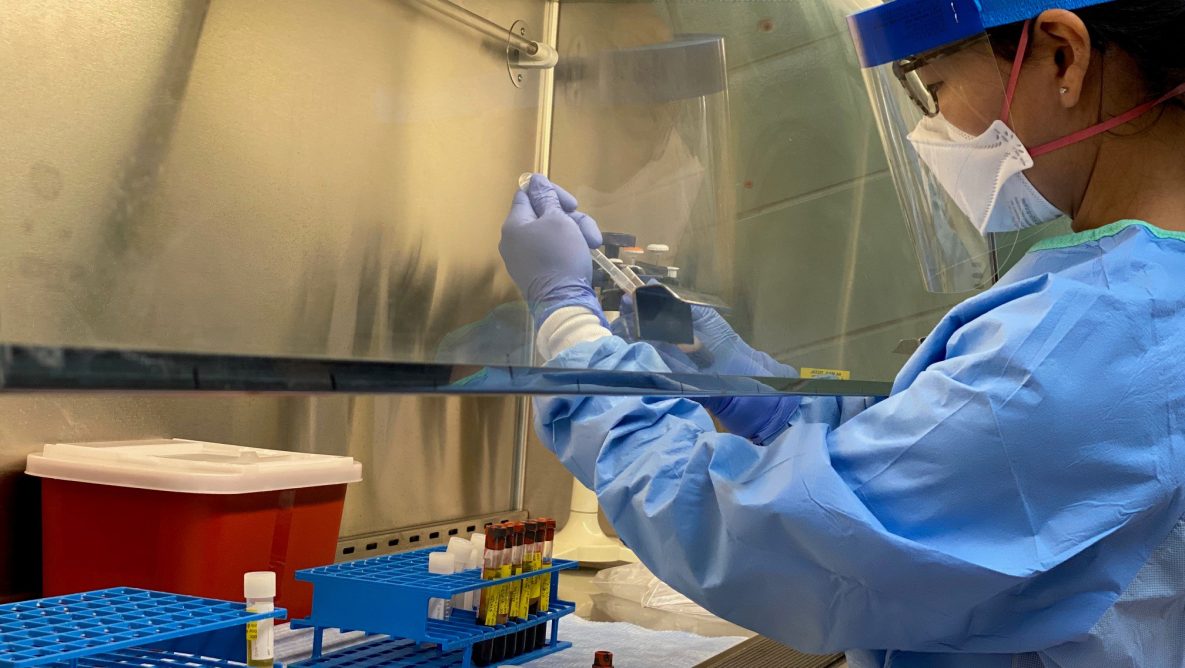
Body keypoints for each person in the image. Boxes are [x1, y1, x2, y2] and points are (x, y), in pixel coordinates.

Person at [498, 1, 1185, 665]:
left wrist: (568, 331)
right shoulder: (1135, 296)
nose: (930, 126)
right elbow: (938, 442)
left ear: (1062, 56)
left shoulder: (1103, 327)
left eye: (933, 87)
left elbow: (779, 536)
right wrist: (756, 391)